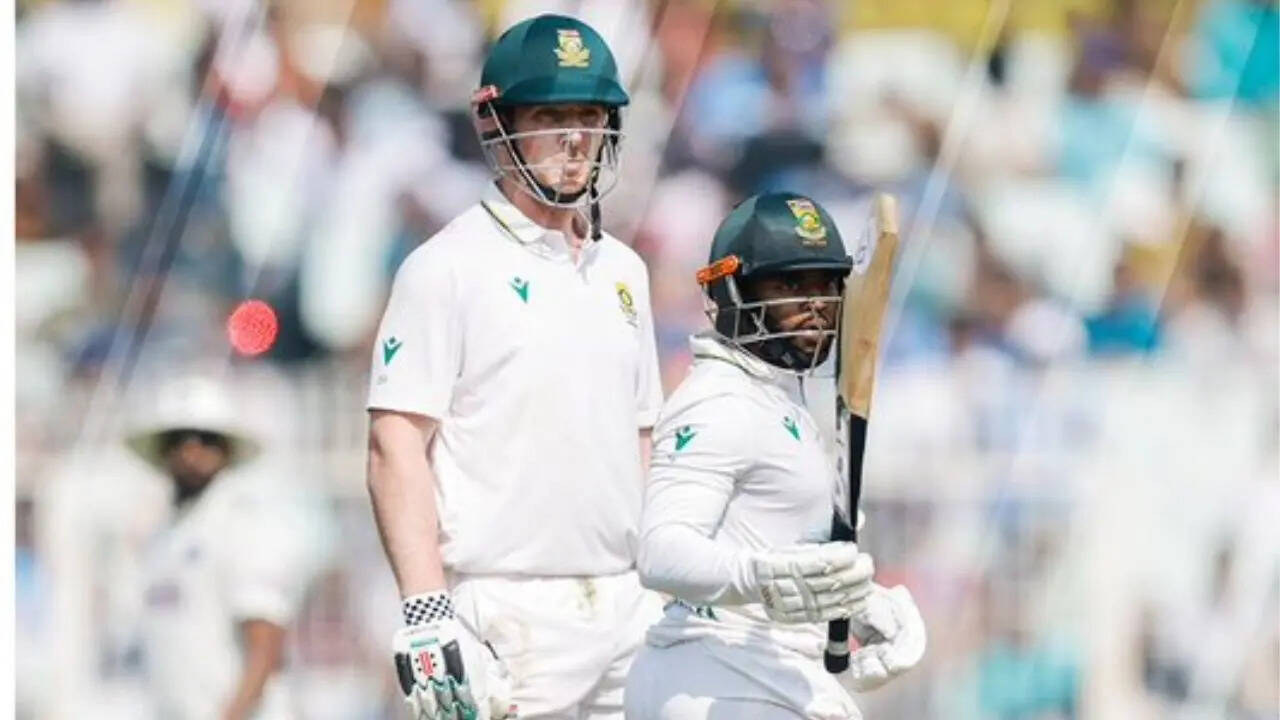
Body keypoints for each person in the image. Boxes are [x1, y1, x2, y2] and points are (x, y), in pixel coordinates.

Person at [365, 13, 664, 720]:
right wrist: (427, 609)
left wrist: (672, 583)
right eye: (551, 117)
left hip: (628, 603)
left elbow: (642, 440)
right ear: (498, 125)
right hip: (507, 611)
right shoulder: (446, 267)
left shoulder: (624, 270)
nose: (576, 138)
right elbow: (394, 444)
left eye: (590, 116)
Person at [625, 193, 927, 719]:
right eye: (788, 285)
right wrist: (764, 577)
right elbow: (661, 552)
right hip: (716, 675)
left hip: (766, 674)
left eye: (825, 285)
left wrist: (859, 603)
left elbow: (780, 545)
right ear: (733, 290)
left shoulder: (778, 398)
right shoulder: (719, 400)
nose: (815, 303)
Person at [124, 375, 321, 720]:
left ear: (226, 450)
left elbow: (265, 647)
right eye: (179, 440)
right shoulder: (165, 535)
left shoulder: (242, 524)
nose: (191, 452)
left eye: (205, 440)